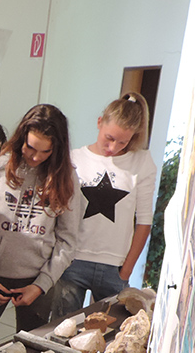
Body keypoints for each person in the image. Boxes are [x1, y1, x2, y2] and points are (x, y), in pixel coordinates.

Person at [0, 103, 86, 353]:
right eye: (30, 147)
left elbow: (67, 241)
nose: (34, 157)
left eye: (45, 151)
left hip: (36, 282)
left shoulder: (66, 178)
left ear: (56, 149)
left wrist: (41, 285)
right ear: (22, 137)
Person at [51, 92, 157, 316]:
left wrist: (126, 270)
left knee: (112, 331)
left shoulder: (142, 162)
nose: (113, 147)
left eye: (123, 142)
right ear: (99, 122)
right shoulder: (74, 158)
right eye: (109, 138)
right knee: (62, 329)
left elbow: (144, 221)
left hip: (115, 267)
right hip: (73, 260)